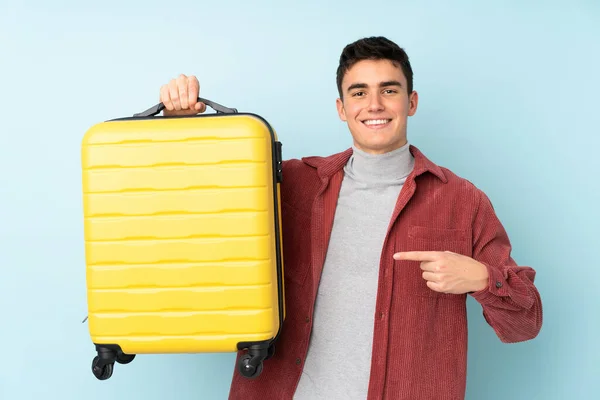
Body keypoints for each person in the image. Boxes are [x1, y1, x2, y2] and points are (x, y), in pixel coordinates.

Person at [158, 36, 543, 400]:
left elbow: (525, 324)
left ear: (411, 102)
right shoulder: (292, 183)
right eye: (359, 92)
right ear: (342, 108)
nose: (374, 104)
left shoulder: (463, 201)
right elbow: (200, 202)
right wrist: (183, 124)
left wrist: (480, 278)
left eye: (389, 90)